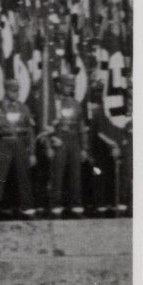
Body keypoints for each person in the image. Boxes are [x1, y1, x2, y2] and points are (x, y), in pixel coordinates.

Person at [0, 84, 38, 218]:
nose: (15, 93)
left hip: (20, 142)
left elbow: (30, 131)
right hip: (3, 142)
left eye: (17, 90)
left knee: (23, 175)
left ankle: (27, 207)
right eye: (12, 90)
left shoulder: (24, 107)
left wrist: (32, 152)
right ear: (6, 90)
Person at [44, 76, 89, 216]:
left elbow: (81, 127)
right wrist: (48, 146)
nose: (70, 88)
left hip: (74, 140)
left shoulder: (76, 104)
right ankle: (56, 205)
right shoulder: (54, 104)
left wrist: (84, 148)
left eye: (71, 85)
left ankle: (76, 205)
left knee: (76, 174)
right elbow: (47, 127)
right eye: (67, 85)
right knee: (57, 174)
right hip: (60, 139)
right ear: (60, 86)